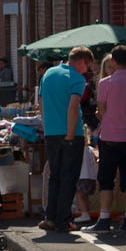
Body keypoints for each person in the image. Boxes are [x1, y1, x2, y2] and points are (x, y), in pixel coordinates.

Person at [38, 47, 95, 235]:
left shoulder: (48, 74)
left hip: (52, 131)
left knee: (55, 175)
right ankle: (63, 220)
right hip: (70, 132)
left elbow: (41, 103)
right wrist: (71, 134)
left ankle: (50, 217)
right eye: (87, 65)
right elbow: (72, 107)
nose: (87, 70)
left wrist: (47, 126)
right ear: (81, 62)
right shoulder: (77, 79)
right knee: (68, 177)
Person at [92, 44, 126, 235]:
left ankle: (104, 218)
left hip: (109, 136)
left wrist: (103, 115)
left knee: (106, 180)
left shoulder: (105, 83)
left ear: (113, 61)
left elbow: (101, 111)